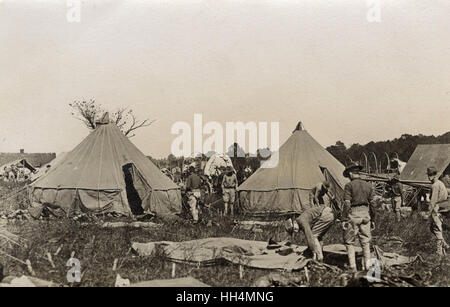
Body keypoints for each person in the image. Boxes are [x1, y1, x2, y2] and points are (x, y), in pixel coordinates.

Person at [341, 163, 376, 272]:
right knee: (365, 242)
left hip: (354, 214)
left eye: (348, 175)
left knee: (349, 242)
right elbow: (373, 204)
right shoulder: (368, 185)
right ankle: (367, 267)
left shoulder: (349, 186)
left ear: (351, 173)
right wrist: (373, 219)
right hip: (366, 214)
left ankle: (353, 267)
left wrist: (343, 218)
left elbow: (347, 204)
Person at [285, 197, 339, 262]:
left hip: (325, 214)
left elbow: (309, 237)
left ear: (294, 222)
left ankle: (319, 258)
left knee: (313, 236)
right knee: (318, 236)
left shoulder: (302, 220)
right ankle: (320, 255)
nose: (295, 231)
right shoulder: (301, 222)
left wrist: (313, 251)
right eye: (293, 232)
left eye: (293, 229)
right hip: (328, 213)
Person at [426, 167, 449, 256]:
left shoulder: (435, 185)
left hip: (437, 208)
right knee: (432, 228)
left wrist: (428, 213)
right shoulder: (440, 183)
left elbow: (433, 201)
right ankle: (445, 245)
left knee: (436, 229)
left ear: (435, 175)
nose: (429, 177)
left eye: (431, 175)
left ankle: (439, 252)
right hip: (443, 207)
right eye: (428, 175)